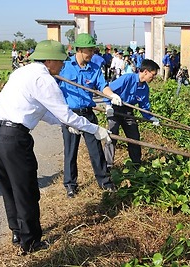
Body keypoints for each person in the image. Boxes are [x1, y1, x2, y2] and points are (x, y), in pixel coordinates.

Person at [0, 40, 112, 255]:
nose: (63, 66)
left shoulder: (23, 72)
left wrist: (65, 124)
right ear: (50, 60)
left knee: (8, 186)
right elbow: (66, 113)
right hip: (13, 137)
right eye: (61, 61)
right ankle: (31, 242)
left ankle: (17, 231)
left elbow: (41, 110)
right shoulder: (44, 80)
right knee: (26, 189)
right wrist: (94, 129)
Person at [58, 33, 122, 198]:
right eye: (89, 51)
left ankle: (105, 182)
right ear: (79, 50)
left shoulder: (94, 69)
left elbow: (102, 86)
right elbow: (53, 90)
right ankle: (70, 185)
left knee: (96, 150)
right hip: (70, 116)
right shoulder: (64, 68)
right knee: (70, 152)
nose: (92, 54)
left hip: (88, 115)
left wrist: (111, 96)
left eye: (93, 50)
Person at [104, 59, 160, 168]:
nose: (153, 78)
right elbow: (108, 90)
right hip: (114, 109)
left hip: (128, 112)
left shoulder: (144, 88)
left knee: (134, 137)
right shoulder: (127, 78)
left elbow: (144, 107)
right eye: (152, 75)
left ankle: (136, 163)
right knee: (111, 136)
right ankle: (108, 165)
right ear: (145, 72)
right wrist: (108, 105)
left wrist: (151, 118)